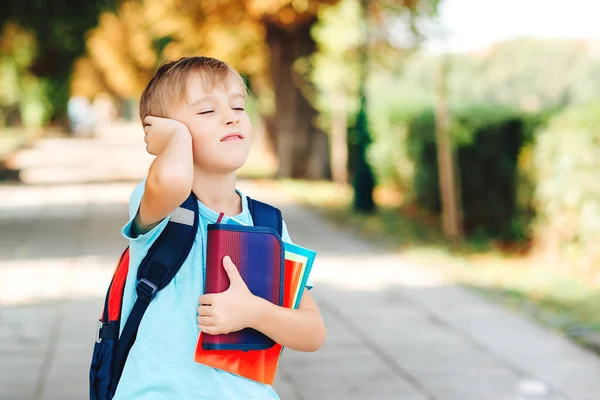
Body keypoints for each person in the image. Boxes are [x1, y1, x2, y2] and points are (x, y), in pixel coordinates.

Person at [115, 56, 326, 399]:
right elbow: (173, 178)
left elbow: (312, 331)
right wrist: (175, 141)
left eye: (238, 106)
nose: (231, 116)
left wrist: (254, 312)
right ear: (166, 133)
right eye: (205, 111)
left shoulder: (266, 222)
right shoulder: (161, 206)